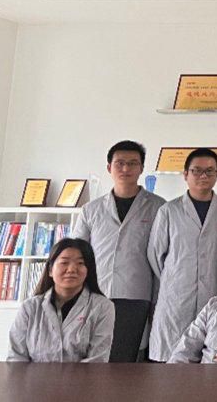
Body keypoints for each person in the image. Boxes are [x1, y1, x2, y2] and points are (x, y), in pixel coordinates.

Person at [71, 140, 165, 362]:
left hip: (136, 295)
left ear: (141, 168)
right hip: (96, 293)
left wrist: (157, 301)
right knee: (91, 355)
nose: (125, 168)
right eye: (119, 163)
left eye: (132, 163)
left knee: (127, 359)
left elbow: (162, 257)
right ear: (109, 167)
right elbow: (76, 253)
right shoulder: (91, 210)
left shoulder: (159, 207)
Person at [147, 148, 217, 362]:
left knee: (210, 360)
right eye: (196, 170)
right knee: (171, 360)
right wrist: (177, 277)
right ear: (185, 174)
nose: (203, 176)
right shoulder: (169, 210)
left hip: (214, 291)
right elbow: (156, 255)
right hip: (176, 297)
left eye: (209, 171)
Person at [8, 238, 115, 362]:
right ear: (50, 270)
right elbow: (16, 357)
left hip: (84, 376)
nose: (71, 269)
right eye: (64, 262)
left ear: (88, 270)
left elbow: (96, 360)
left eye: (80, 263)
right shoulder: (29, 307)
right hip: (33, 375)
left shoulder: (102, 307)